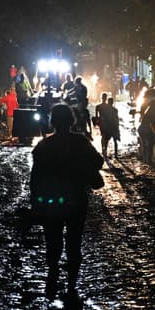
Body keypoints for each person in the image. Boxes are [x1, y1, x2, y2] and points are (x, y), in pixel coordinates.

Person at [30, 103, 104, 299]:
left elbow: (35, 179)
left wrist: (35, 204)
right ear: (71, 121)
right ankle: (72, 283)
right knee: (74, 242)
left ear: (52, 122)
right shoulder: (80, 142)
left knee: (53, 241)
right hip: (77, 198)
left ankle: (52, 276)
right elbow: (98, 161)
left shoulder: (43, 146)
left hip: (51, 201)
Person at [95, 93, 120, 158]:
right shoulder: (112, 109)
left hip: (105, 124)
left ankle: (104, 151)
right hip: (108, 125)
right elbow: (116, 119)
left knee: (104, 137)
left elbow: (97, 117)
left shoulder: (100, 107)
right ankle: (114, 154)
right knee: (111, 139)